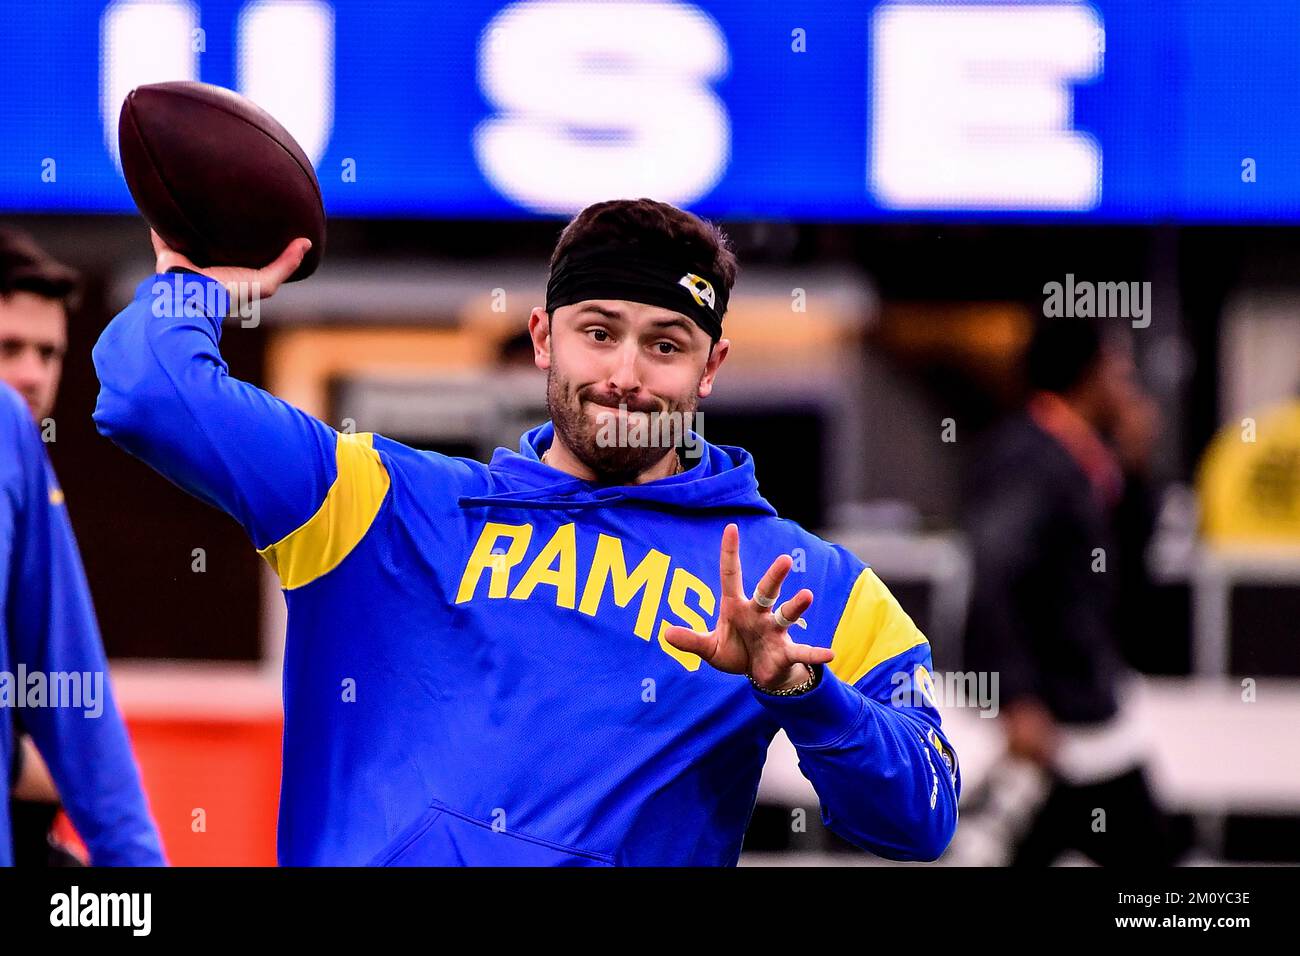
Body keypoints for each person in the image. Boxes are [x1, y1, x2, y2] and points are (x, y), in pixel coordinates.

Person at [93, 199, 960, 865]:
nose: (626, 375)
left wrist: (804, 697)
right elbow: (146, 396)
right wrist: (193, 284)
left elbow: (923, 817)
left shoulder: (799, 581)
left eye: (666, 345)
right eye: (598, 333)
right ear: (543, 338)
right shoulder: (380, 502)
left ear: (711, 369)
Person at [961, 316, 1179, 866]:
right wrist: (1016, 696)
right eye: (1118, 365)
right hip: (1055, 710)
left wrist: (1138, 470)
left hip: (1081, 707)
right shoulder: (1030, 456)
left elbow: (1129, 573)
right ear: (1089, 373)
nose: (1129, 381)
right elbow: (995, 575)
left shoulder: (1083, 457)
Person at [0, 228, 164, 867]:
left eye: (49, 352)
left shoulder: (16, 447)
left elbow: (71, 692)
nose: (32, 375)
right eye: (10, 347)